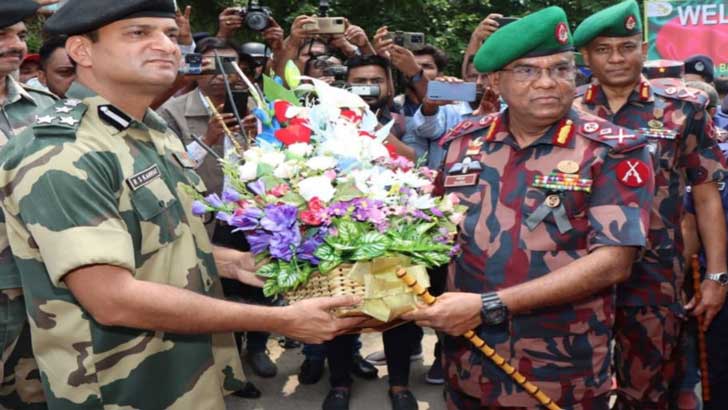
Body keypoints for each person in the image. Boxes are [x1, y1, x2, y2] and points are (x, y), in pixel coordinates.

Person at [0, 1, 363, 408]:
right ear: (82, 51)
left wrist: (231, 263)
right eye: (138, 33)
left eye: (170, 35)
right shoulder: (62, 152)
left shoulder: (148, 128)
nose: (166, 46)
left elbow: (159, 239)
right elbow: (112, 298)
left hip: (181, 373)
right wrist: (280, 321)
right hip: (120, 386)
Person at [403, 6, 656, 409]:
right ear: (494, 81)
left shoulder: (613, 149)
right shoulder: (461, 144)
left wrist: (489, 306)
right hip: (467, 362)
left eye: (560, 70)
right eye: (526, 71)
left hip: (559, 370)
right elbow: (430, 236)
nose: (548, 83)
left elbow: (614, 262)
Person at [572, 1, 728, 409]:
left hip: (656, 275)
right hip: (572, 273)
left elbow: (707, 193)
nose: (617, 58)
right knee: (573, 390)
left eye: (626, 47)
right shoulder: (564, 111)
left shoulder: (683, 108)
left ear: (644, 48)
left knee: (650, 390)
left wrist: (717, 276)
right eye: (603, 49)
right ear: (586, 57)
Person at [0, 3, 57, 409]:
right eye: (1, 36)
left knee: (34, 385)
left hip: (41, 273)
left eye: (20, 35)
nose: (15, 45)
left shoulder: (42, 104)